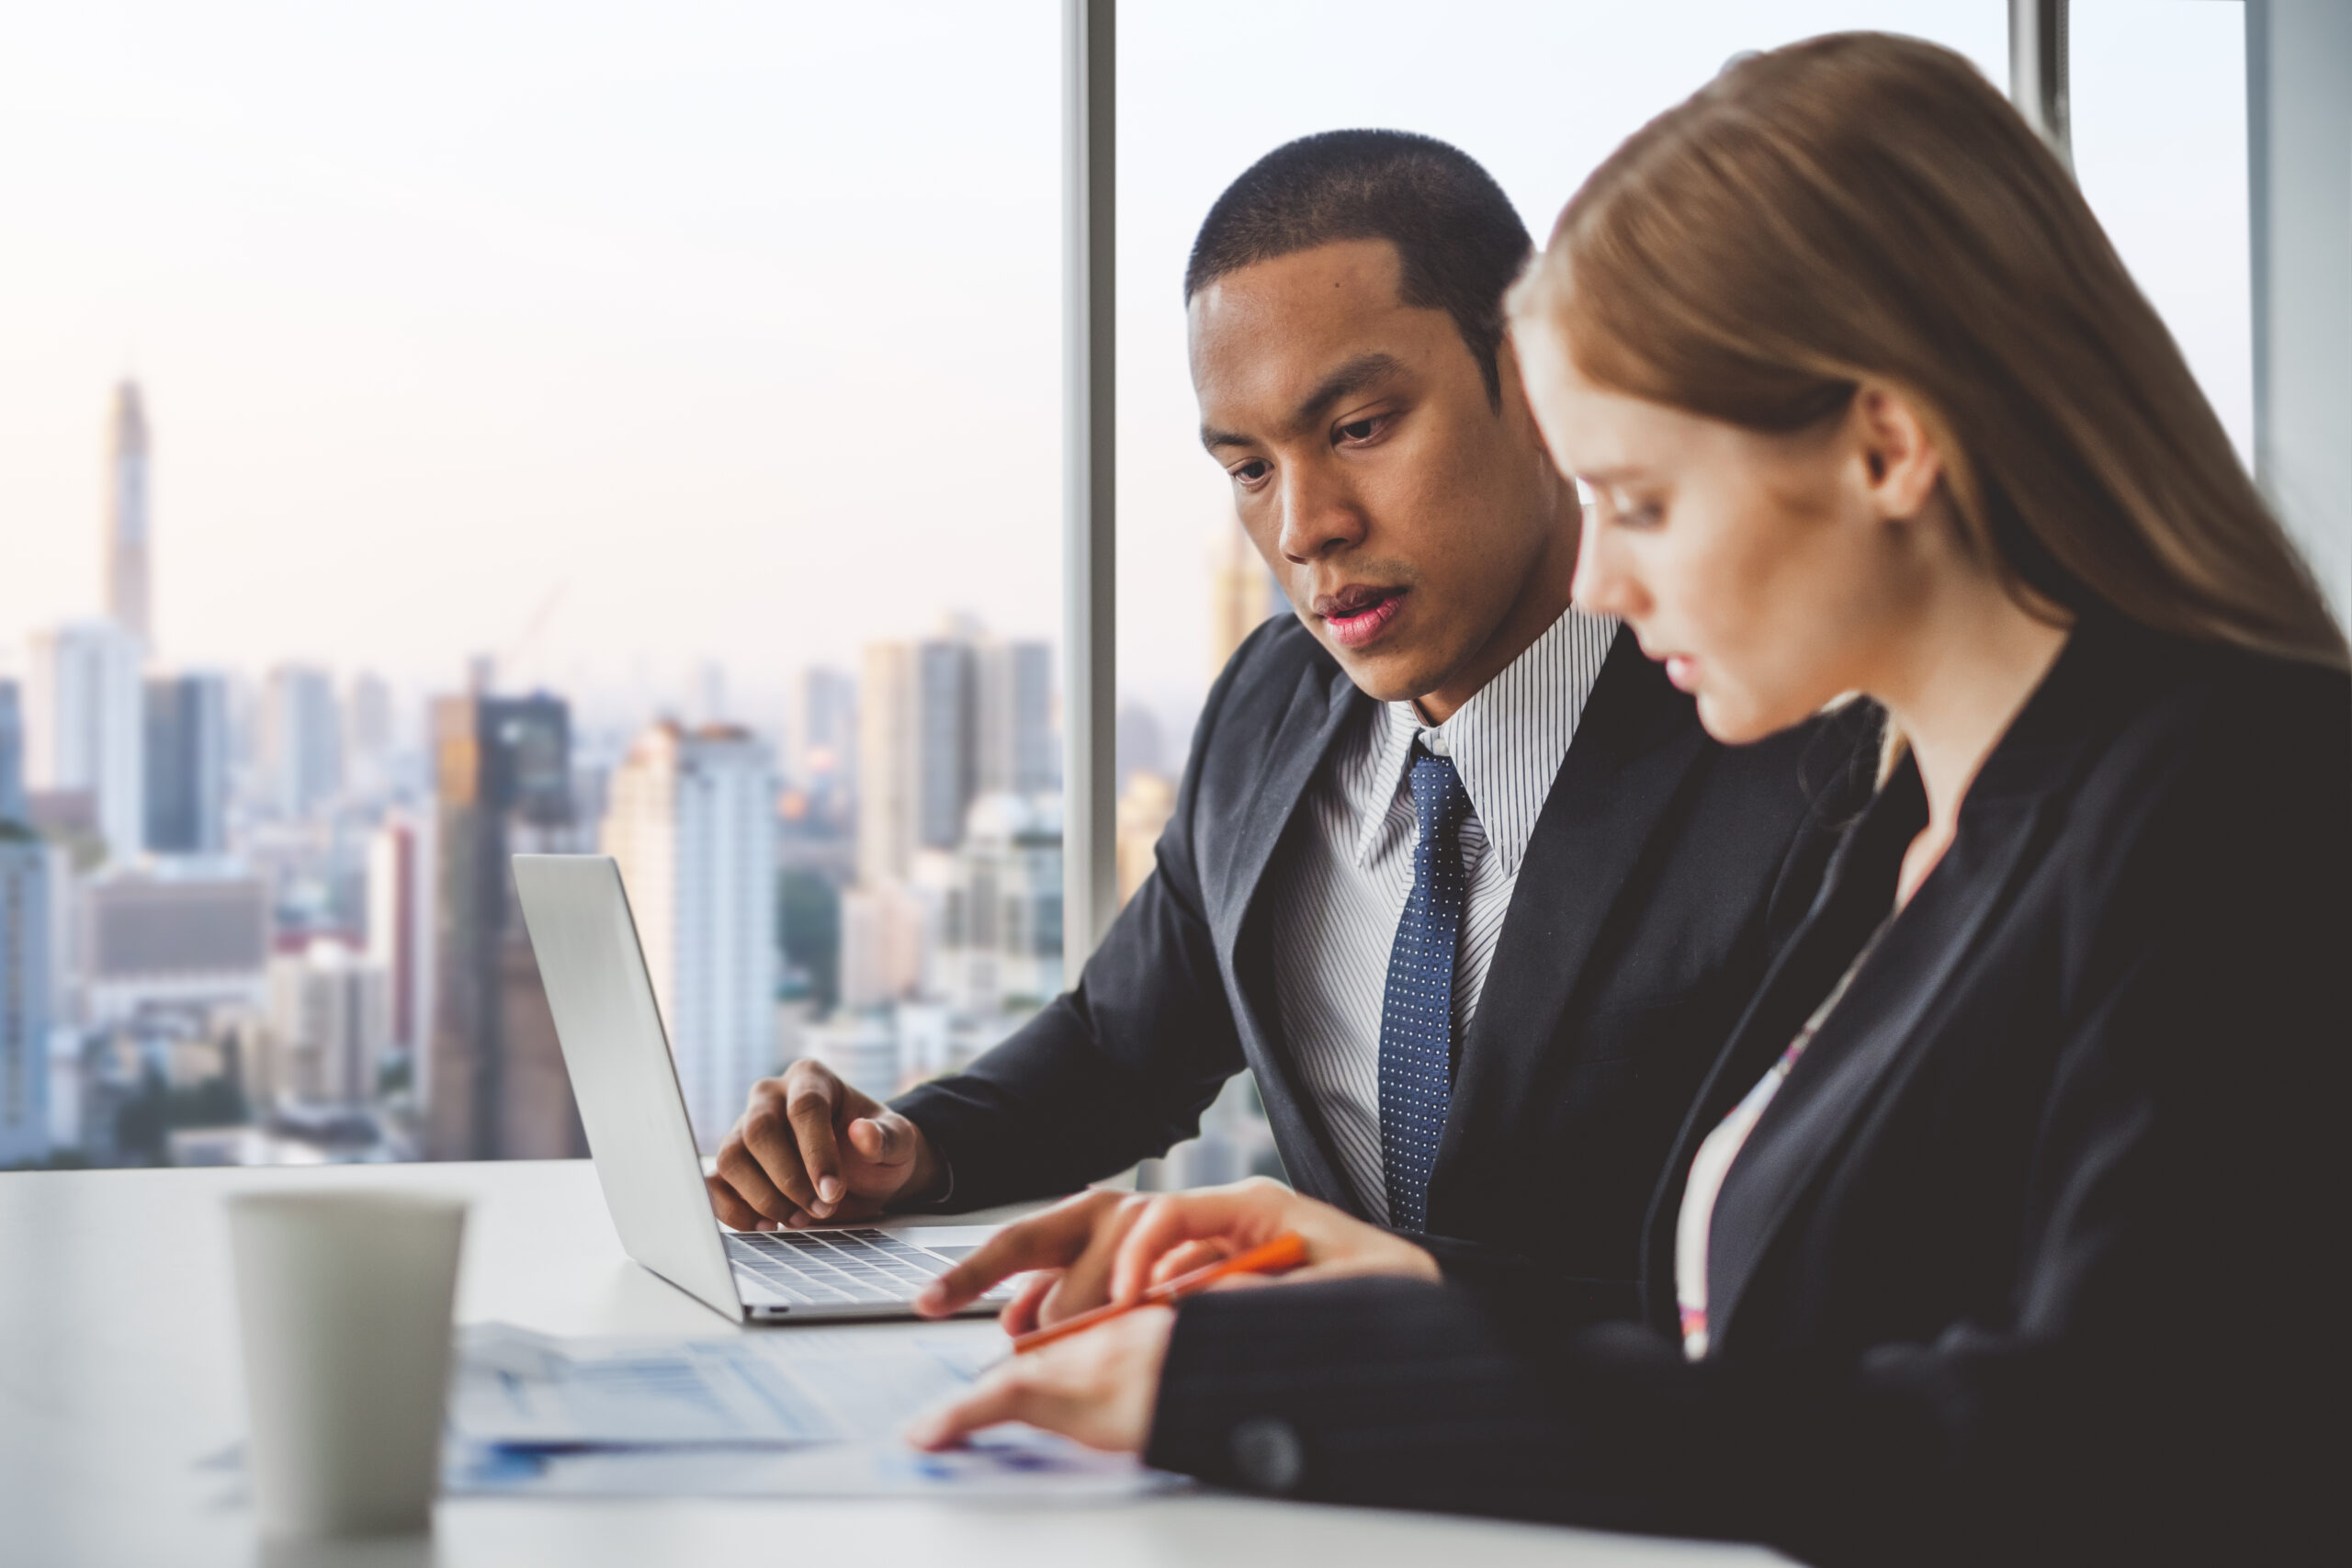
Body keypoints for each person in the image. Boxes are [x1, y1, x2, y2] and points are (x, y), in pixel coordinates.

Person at [904, 34, 2349, 1565]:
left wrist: (1321, 1378)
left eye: (1644, 501)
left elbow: (2072, 1446)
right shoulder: (1922, 817)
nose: (1598, 578)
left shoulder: (2238, 804)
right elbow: (1785, 1346)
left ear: (1885, 443)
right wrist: (1410, 1293)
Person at [707, 130, 1873, 1317]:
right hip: (1311, 1460)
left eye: (1360, 428)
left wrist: (1338, 1298)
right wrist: (901, 1149)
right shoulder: (1271, 704)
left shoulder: (1783, 758)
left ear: (1533, 386)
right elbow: (1121, 1051)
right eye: (1250, 469)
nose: (1307, 527)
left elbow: (1808, 1279)